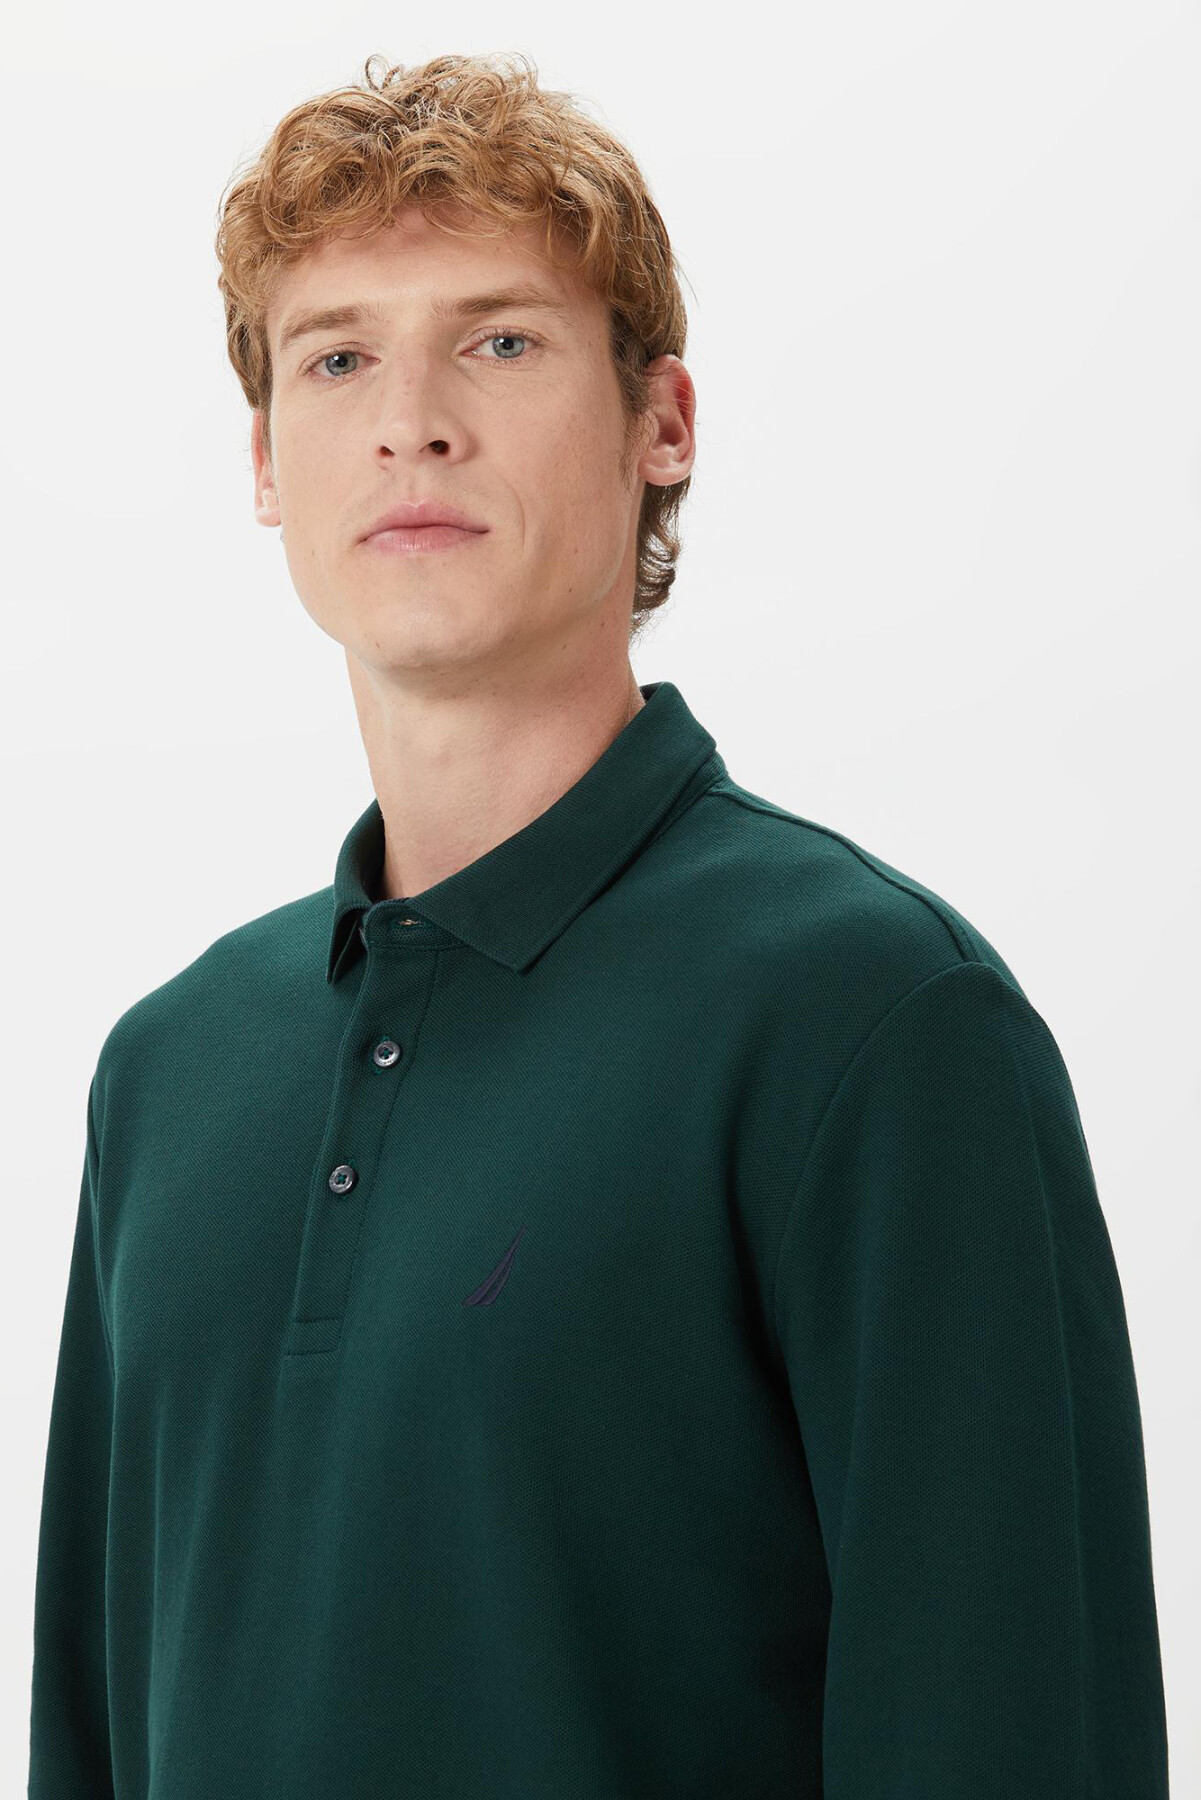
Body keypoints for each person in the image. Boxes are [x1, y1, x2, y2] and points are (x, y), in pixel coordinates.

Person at [27, 49, 1170, 1800]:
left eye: (499, 342)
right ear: (265, 460)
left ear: (663, 424)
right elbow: (92, 1734)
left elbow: (1013, 1736)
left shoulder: (870, 1020)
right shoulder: (170, 1070)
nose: (412, 420)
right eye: (336, 357)